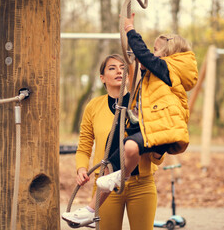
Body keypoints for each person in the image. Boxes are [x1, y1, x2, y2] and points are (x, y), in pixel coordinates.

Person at [96, 12, 198, 193]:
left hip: (166, 126)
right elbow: (148, 92)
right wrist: (143, 70)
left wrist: (129, 29)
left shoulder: (167, 68)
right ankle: (93, 204)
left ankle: (122, 175)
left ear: (168, 53)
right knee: (117, 152)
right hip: (162, 124)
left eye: (156, 49)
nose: (153, 53)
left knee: (129, 146)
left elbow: (144, 54)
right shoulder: (165, 73)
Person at [62, 53, 165, 230]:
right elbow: (84, 145)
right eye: (112, 68)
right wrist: (81, 168)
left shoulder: (141, 103)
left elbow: (156, 149)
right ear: (102, 78)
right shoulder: (93, 106)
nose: (119, 71)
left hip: (141, 183)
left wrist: (159, 153)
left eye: (123, 67)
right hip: (105, 182)